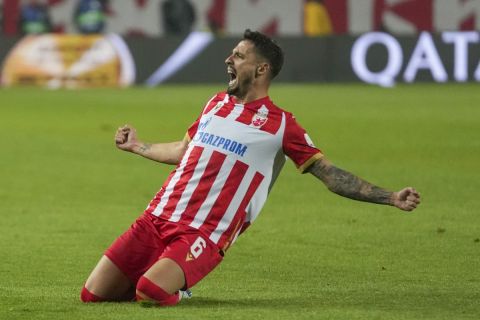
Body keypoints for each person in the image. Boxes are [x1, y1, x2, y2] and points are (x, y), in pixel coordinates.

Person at [80, 29, 420, 306]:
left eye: (239, 56)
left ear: (261, 70)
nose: (229, 59)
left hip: (203, 233)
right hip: (156, 217)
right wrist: (138, 146)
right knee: (92, 295)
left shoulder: (282, 125)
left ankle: (176, 287)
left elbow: (330, 175)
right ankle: (159, 278)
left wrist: (389, 197)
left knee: (151, 293)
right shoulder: (215, 103)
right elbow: (185, 150)